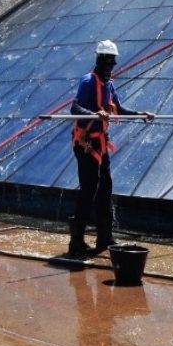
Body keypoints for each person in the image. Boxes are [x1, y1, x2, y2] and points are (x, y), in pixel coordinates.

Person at [68, 39, 153, 258]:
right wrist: (95, 114)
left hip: (101, 143)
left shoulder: (109, 85)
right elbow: (74, 107)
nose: (109, 66)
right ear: (99, 60)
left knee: (105, 188)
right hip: (86, 144)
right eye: (106, 62)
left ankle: (104, 236)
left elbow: (119, 109)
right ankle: (76, 241)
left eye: (112, 63)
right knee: (89, 189)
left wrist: (140, 114)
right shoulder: (88, 81)